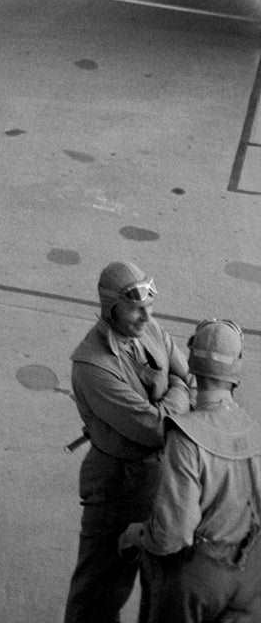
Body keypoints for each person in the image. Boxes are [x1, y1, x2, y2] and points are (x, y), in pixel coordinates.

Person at [63, 259, 193, 623]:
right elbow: (155, 428)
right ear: (110, 308)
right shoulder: (93, 365)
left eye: (149, 308)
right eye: (136, 308)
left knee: (161, 587)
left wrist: (179, 390)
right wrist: (178, 393)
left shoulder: (149, 331)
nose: (145, 317)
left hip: (162, 480)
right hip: (118, 489)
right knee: (100, 593)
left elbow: (188, 378)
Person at [122, 320, 261, 623]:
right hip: (251, 576)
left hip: (199, 579)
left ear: (193, 365)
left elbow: (173, 534)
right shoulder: (256, 433)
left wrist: (137, 535)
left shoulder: (186, 437)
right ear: (237, 370)